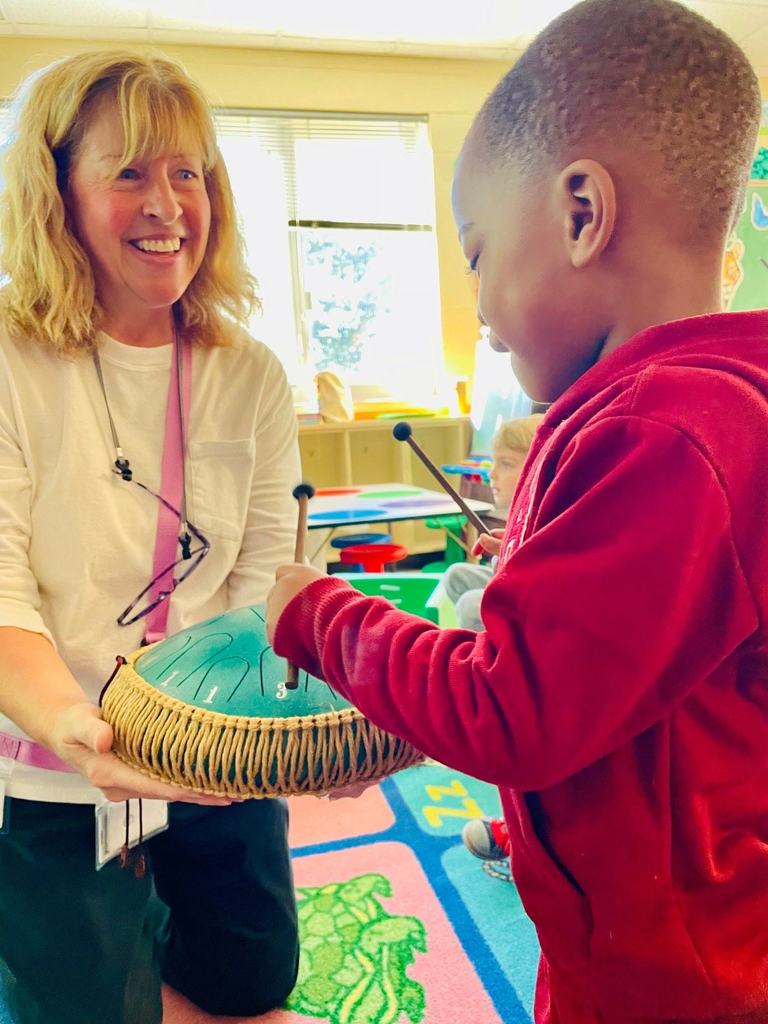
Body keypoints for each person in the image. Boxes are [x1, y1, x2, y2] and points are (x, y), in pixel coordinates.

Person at [266, 1, 768, 1020]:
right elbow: (631, 661)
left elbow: (512, 704)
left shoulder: (664, 435)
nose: (484, 315)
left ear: (582, 213)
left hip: (672, 977)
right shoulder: (688, 411)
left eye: (479, 254)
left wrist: (321, 613)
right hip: (629, 917)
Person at [0, 52, 301, 1024]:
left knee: (253, 982)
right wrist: (77, 730)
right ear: (56, 192)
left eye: (188, 172)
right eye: (128, 171)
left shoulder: (247, 370)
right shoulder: (11, 358)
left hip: (208, 748)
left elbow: (261, 573)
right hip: (44, 761)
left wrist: (244, 728)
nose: (168, 202)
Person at [442, 414, 543, 632]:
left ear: (538, 467)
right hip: (521, 585)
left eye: (506, 464)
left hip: (539, 602)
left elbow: (538, 578)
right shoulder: (522, 510)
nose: (492, 474)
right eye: (494, 462)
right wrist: (506, 544)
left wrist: (507, 556)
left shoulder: (547, 509)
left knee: (470, 605)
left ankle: (493, 662)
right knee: (456, 575)